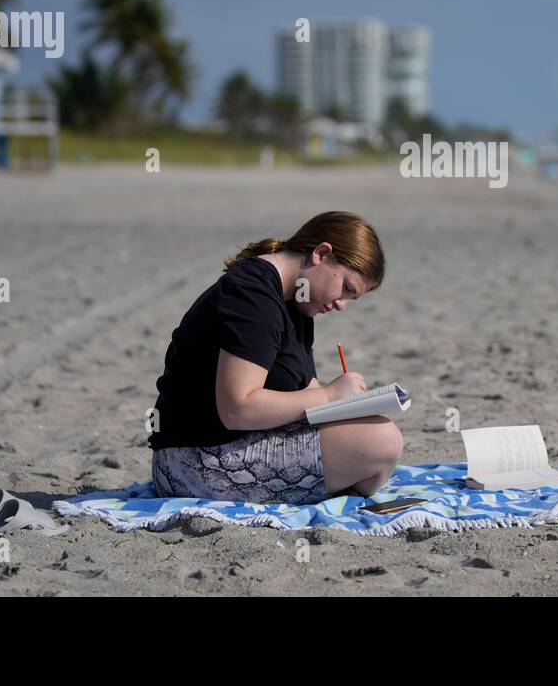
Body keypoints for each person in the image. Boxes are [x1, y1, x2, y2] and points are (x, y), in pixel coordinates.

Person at [147, 211, 402, 505]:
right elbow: (237, 408)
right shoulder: (253, 295)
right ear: (321, 253)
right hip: (192, 460)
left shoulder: (298, 300)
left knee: (375, 438)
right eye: (346, 288)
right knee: (381, 442)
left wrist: (347, 403)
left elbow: (304, 393)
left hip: (236, 442)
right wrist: (331, 394)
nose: (342, 305)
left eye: (352, 299)